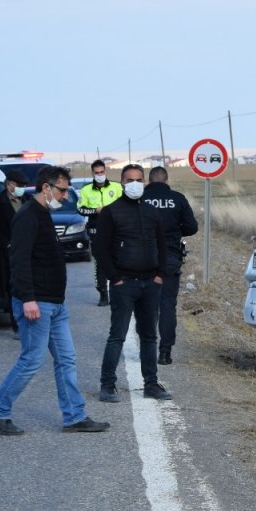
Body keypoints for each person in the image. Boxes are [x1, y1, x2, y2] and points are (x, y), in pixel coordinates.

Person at [0, 166, 110, 435]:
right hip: (37, 303)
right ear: (46, 188)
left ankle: (74, 417)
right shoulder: (28, 216)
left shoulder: (43, 214)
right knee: (31, 360)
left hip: (55, 304)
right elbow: (18, 260)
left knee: (66, 359)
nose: (65, 196)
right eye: (62, 190)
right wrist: (28, 299)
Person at [94, 164, 172, 402]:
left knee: (149, 336)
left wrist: (160, 275)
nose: (134, 184)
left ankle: (151, 384)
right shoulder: (110, 212)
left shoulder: (151, 212)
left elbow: (162, 245)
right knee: (117, 336)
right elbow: (100, 249)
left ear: (145, 183)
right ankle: (107, 385)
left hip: (150, 283)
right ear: (121, 183)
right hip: (124, 284)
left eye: (139, 179)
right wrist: (114, 279)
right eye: (129, 180)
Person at [142, 166, 198, 365]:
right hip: (170, 257)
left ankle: (146, 350)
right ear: (166, 181)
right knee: (167, 305)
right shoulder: (177, 198)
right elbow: (192, 227)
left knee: (146, 306)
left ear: (149, 181)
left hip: (143, 259)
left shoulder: (141, 198)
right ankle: (165, 352)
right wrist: (175, 231)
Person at [0, 168, 31, 338]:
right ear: (10, 184)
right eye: (20, 185)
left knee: (30, 287)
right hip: (9, 254)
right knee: (14, 289)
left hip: (29, 252)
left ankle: (32, 322)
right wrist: (7, 244)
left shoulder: (28, 200)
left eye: (24, 185)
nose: (22, 188)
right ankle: (17, 325)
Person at [77, 159, 122, 306]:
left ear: (105, 171)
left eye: (102, 172)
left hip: (116, 229)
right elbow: (80, 209)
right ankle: (103, 293)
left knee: (118, 259)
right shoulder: (86, 189)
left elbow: (124, 204)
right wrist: (94, 210)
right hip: (96, 229)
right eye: (96, 173)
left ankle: (120, 290)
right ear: (92, 173)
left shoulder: (116, 187)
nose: (100, 175)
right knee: (100, 262)